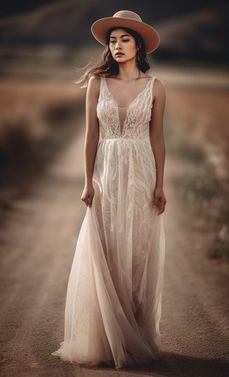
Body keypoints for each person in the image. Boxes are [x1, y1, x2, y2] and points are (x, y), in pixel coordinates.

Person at [52, 9, 167, 369]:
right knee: (106, 247)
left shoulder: (155, 87)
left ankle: (132, 334)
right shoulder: (97, 83)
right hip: (106, 170)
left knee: (136, 253)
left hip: (141, 172)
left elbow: (157, 138)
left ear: (139, 45)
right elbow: (91, 136)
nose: (117, 46)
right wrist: (88, 180)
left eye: (125, 39)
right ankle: (105, 337)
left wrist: (160, 184)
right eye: (112, 40)